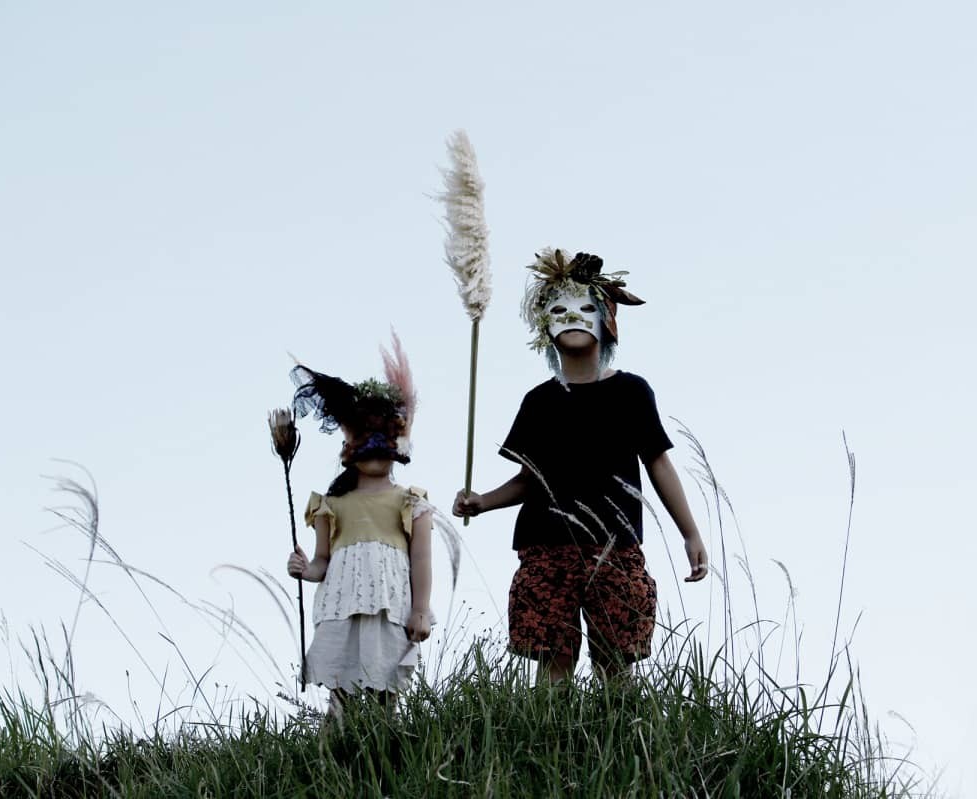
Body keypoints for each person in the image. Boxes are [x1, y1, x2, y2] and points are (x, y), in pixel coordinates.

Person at [453, 249, 708, 683]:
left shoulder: (631, 392)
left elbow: (658, 463)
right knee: (553, 659)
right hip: (546, 546)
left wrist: (690, 532)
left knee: (615, 658)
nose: (573, 317)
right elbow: (527, 480)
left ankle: (621, 740)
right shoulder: (539, 402)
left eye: (586, 307)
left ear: (607, 318)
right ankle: (551, 742)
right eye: (560, 309)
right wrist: (481, 502)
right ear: (545, 325)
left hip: (615, 545)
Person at [285, 336, 432, 722]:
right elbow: (322, 562)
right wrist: (305, 569)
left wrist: (420, 610)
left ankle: (387, 745)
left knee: (386, 684)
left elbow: (421, 561)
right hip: (342, 602)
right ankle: (333, 749)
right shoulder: (331, 505)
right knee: (341, 684)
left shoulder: (410, 501)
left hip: (389, 603)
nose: (376, 451)